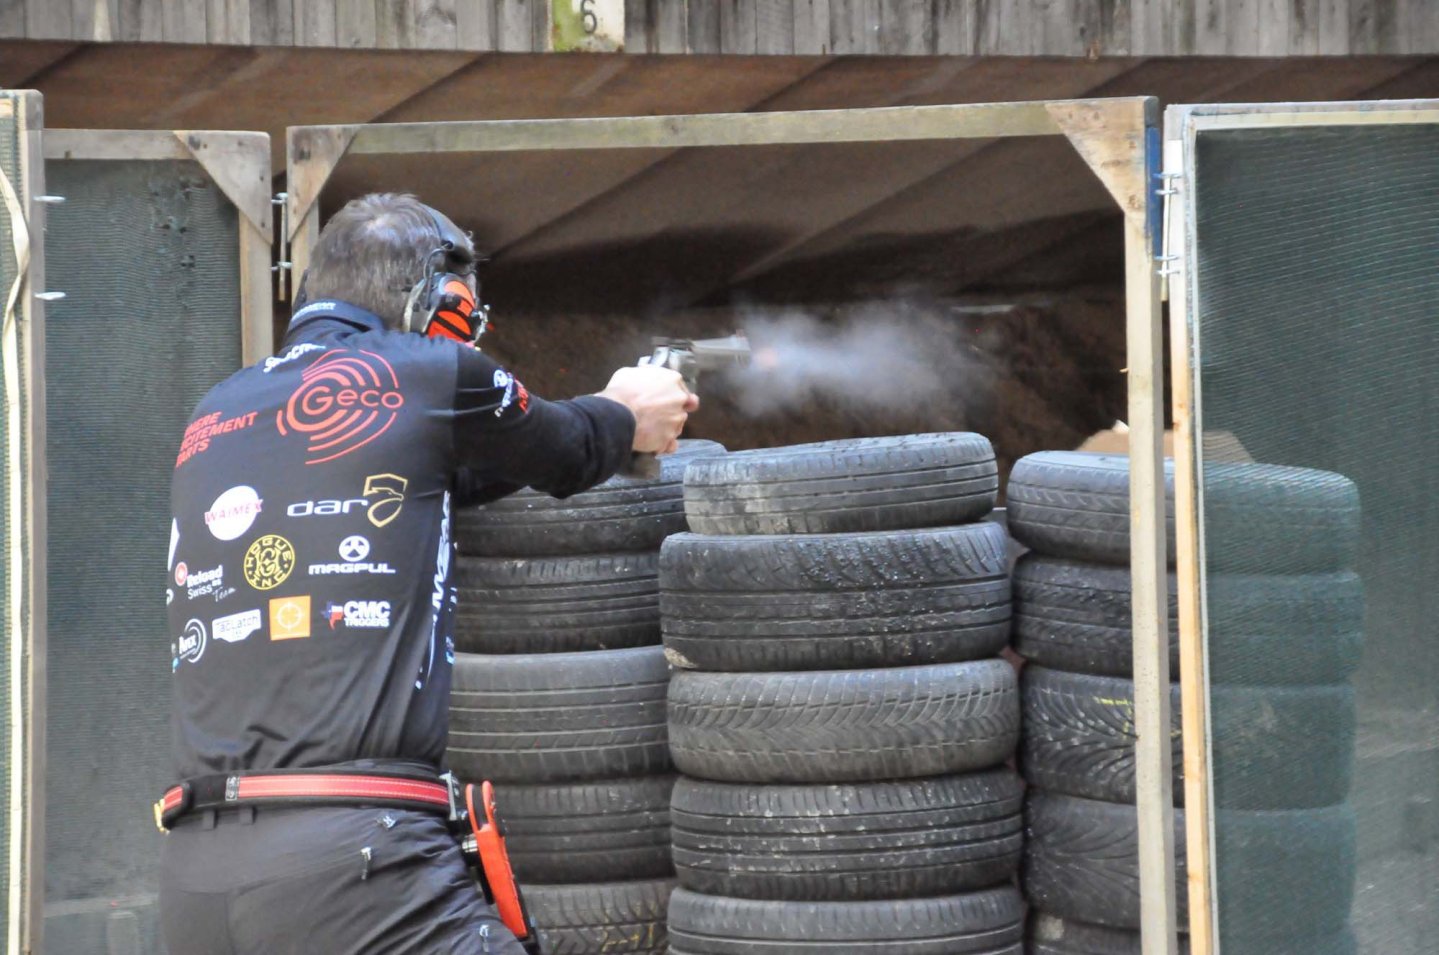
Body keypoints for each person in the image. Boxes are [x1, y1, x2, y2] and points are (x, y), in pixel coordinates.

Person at [157, 193, 695, 954]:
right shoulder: (426, 370)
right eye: (461, 316)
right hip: (360, 863)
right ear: (433, 297)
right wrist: (625, 407)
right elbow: (568, 446)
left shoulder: (215, 412)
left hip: (195, 873)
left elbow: (427, 483)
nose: (465, 335)